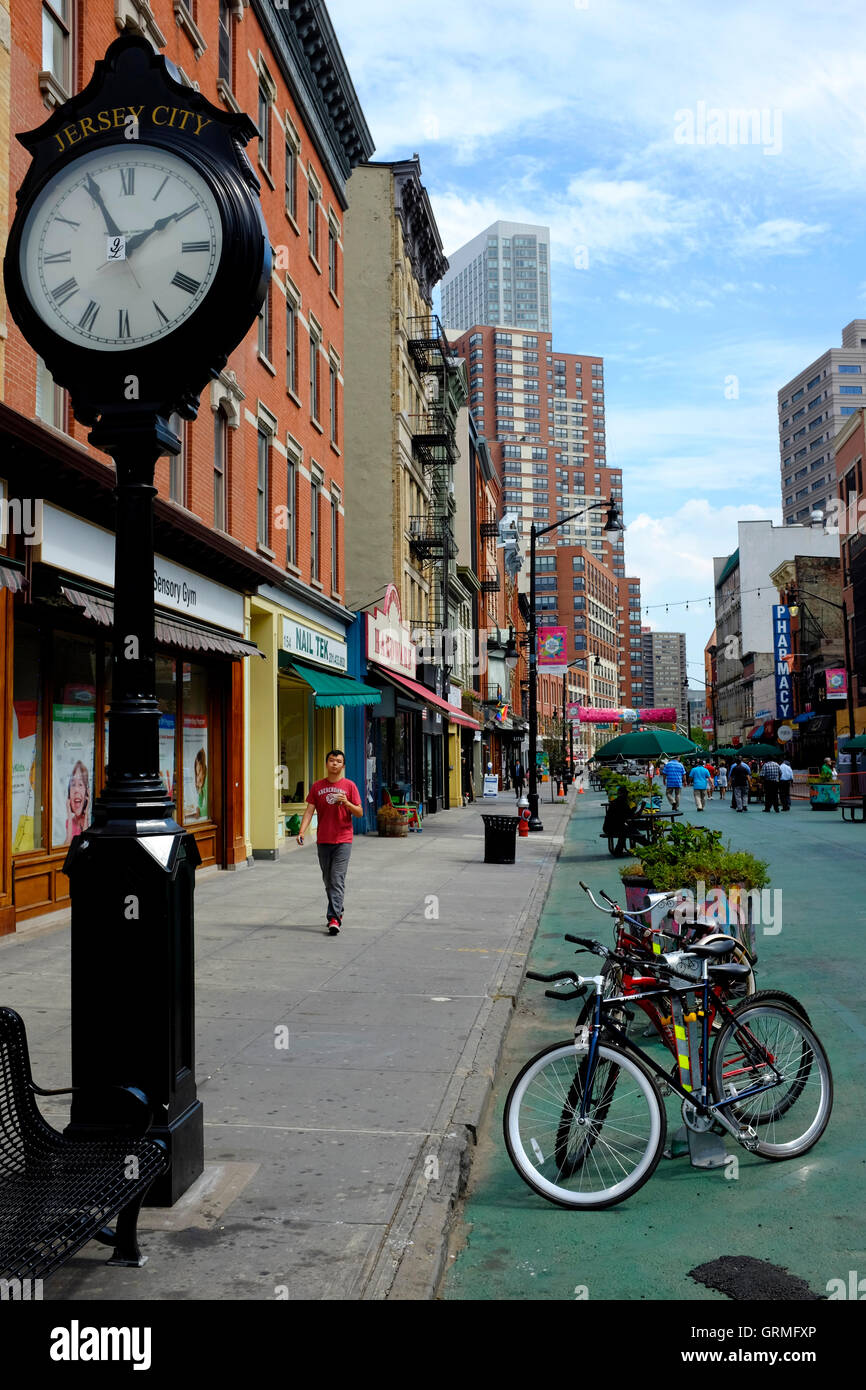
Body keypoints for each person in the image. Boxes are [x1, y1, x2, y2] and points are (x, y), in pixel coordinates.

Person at [296, 749, 363, 935]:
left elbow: (359, 813)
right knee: (328, 879)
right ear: (326, 764)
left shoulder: (349, 786)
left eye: (338, 761)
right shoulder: (317, 786)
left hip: (343, 840)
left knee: (336, 878)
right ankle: (338, 911)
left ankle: (333, 918)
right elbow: (309, 811)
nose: (334, 763)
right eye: (331, 760)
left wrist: (347, 803)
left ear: (343, 766)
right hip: (324, 839)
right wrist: (302, 831)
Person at [64, 760, 91, 843]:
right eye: (73, 785)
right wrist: (69, 812)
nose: (76, 790)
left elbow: (85, 842)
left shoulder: (90, 820)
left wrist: (86, 813)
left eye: (80, 784)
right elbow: (67, 844)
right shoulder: (69, 822)